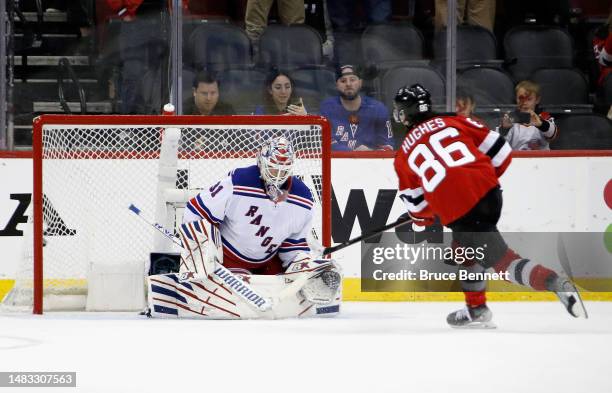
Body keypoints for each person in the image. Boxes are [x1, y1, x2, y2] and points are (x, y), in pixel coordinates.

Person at [392, 84, 586, 328]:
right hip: (491, 194)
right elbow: (502, 150)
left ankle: (553, 282)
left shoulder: (402, 157)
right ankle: (476, 309)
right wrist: (479, 180)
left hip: (463, 211)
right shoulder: (455, 121)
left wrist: (425, 217)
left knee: (503, 262)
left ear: (403, 114)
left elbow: (420, 211)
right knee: (463, 249)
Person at [146, 136, 341, 319]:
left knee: (304, 272)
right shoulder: (238, 182)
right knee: (205, 264)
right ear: (261, 162)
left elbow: (293, 245)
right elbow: (196, 210)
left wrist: (301, 266)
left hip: (267, 261)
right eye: (273, 168)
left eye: (284, 169)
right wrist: (203, 250)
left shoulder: (303, 198)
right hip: (227, 258)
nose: (278, 175)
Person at [320, 65, 393, 151]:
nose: (348, 84)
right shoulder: (327, 108)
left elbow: (388, 145)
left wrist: (371, 153)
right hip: (338, 162)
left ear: (360, 83)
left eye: (352, 80)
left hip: (370, 162)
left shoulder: (378, 109)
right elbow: (325, 142)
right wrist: (353, 153)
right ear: (337, 85)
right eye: (343, 81)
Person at [496, 80, 558, 150]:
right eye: (521, 99)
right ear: (516, 99)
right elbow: (499, 144)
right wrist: (504, 129)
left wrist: (541, 124)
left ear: (537, 100)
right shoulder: (510, 119)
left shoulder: (543, 117)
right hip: (518, 159)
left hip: (540, 159)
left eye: (529, 99)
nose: (524, 103)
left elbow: (552, 134)